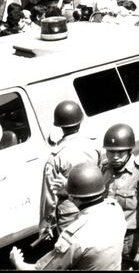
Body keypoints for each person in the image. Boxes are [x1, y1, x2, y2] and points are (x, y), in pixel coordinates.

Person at [11, 163, 126, 271]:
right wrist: (71, 188)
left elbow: (44, 269)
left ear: (71, 198)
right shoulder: (115, 208)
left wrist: (19, 263)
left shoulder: (73, 238)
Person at [100, 123, 139, 271]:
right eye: (110, 152)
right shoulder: (104, 170)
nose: (115, 157)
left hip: (128, 239)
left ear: (130, 150)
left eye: (120, 152)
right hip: (105, 235)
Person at [40, 100, 101, 239]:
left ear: (60, 126)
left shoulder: (56, 156)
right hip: (95, 204)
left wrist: (46, 224)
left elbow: (50, 194)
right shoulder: (94, 145)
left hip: (69, 211)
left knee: (71, 252)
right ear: (80, 120)